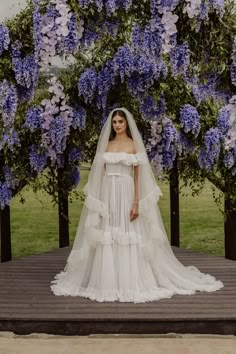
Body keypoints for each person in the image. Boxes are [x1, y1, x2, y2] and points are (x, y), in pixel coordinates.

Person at [50, 107, 224, 303]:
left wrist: (136, 203)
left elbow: (137, 178)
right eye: (114, 122)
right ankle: (108, 281)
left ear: (126, 124)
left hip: (126, 192)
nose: (117, 125)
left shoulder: (134, 146)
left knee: (128, 232)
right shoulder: (106, 145)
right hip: (107, 191)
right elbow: (98, 176)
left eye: (120, 122)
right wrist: (98, 204)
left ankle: (130, 279)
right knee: (108, 232)